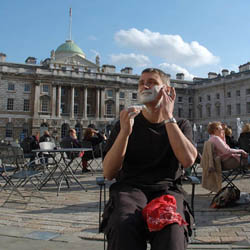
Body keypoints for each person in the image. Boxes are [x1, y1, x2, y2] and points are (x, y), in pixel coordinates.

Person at [101, 68, 198, 250]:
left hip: (167, 190)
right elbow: (108, 172)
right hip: (130, 189)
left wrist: (169, 117)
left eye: (151, 82)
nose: (144, 85)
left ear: (167, 91)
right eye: (141, 83)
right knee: (124, 224)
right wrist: (125, 133)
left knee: (172, 228)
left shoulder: (181, 124)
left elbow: (188, 160)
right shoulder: (124, 123)